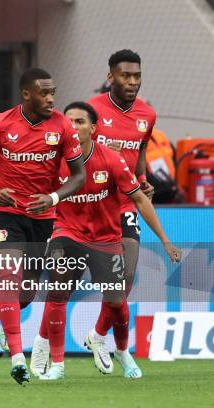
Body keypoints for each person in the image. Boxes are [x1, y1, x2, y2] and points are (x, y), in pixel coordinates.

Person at [30, 102, 181, 380]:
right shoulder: (52, 160)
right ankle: (57, 365)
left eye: (80, 122)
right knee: (57, 293)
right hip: (68, 233)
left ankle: (122, 351)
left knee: (116, 300)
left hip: (106, 239)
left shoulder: (111, 159)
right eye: (70, 122)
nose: (74, 127)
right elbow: (33, 192)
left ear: (93, 129)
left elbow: (138, 199)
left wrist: (165, 240)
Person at [0, 67, 86, 385]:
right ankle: (18, 357)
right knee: (9, 276)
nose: (51, 98)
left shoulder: (63, 126)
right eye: (44, 93)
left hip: (42, 218)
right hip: (4, 214)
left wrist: (54, 197)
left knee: (27, 293)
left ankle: (9, 327)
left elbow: (79, 175)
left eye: (53, 92)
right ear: (26, 94)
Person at [85, 49, 156, 376]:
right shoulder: (91, 111)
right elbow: (75, 154)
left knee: (123, 281)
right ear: (110, 77)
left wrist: (142, 180)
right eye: (126, 76)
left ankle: (101, 337)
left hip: (125, 203)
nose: (132, 82)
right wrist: (100, 153)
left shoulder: (147, 114)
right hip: (93, 204)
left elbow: (140, 151)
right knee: (62, 282)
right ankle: (48, 352)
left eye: (137, 76)